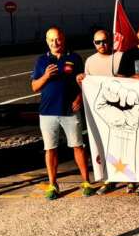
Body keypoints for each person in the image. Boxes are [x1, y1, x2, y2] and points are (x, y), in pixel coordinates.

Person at [30, 26, 94, 200]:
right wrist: (45, 76)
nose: (55, 43)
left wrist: (79, 99)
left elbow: (84, 82)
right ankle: (53, 184)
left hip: (70, 111)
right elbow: (34, 86)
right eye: (51, 40)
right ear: (46, 41)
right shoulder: (42, 60)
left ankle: (86, 181)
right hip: (47, 112)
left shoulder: (74, 58)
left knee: (78, 146)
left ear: (63, 38)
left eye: (57, 39)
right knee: (50, 149)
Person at [76, 29, 121, 195]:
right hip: (101, 112)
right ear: (94, 44)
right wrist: (81, 80)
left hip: (120, 110)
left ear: (110, 40)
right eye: (98, 42)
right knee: (104, 145)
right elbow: (87, 86)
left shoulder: (119, 57)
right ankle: (108, 178)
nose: (102, 45)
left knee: (123, 144)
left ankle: (130, 178)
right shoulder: (90, 61)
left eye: (105, 41)